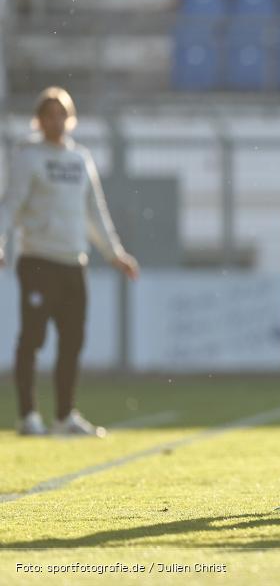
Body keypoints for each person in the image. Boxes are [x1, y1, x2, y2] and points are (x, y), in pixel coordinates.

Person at [0, 86, 140, 437]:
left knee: (72, 341)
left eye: (61, 114)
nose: (56, 121)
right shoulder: (28, 156)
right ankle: (28, 416)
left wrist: (114, 253)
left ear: (70, 118)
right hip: (37, 260)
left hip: (73, 263)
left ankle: (65, 416)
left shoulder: (80, 159)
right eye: (49, 115)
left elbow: (95, 212)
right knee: (32, 339)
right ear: (38, 120)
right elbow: (11, 204)